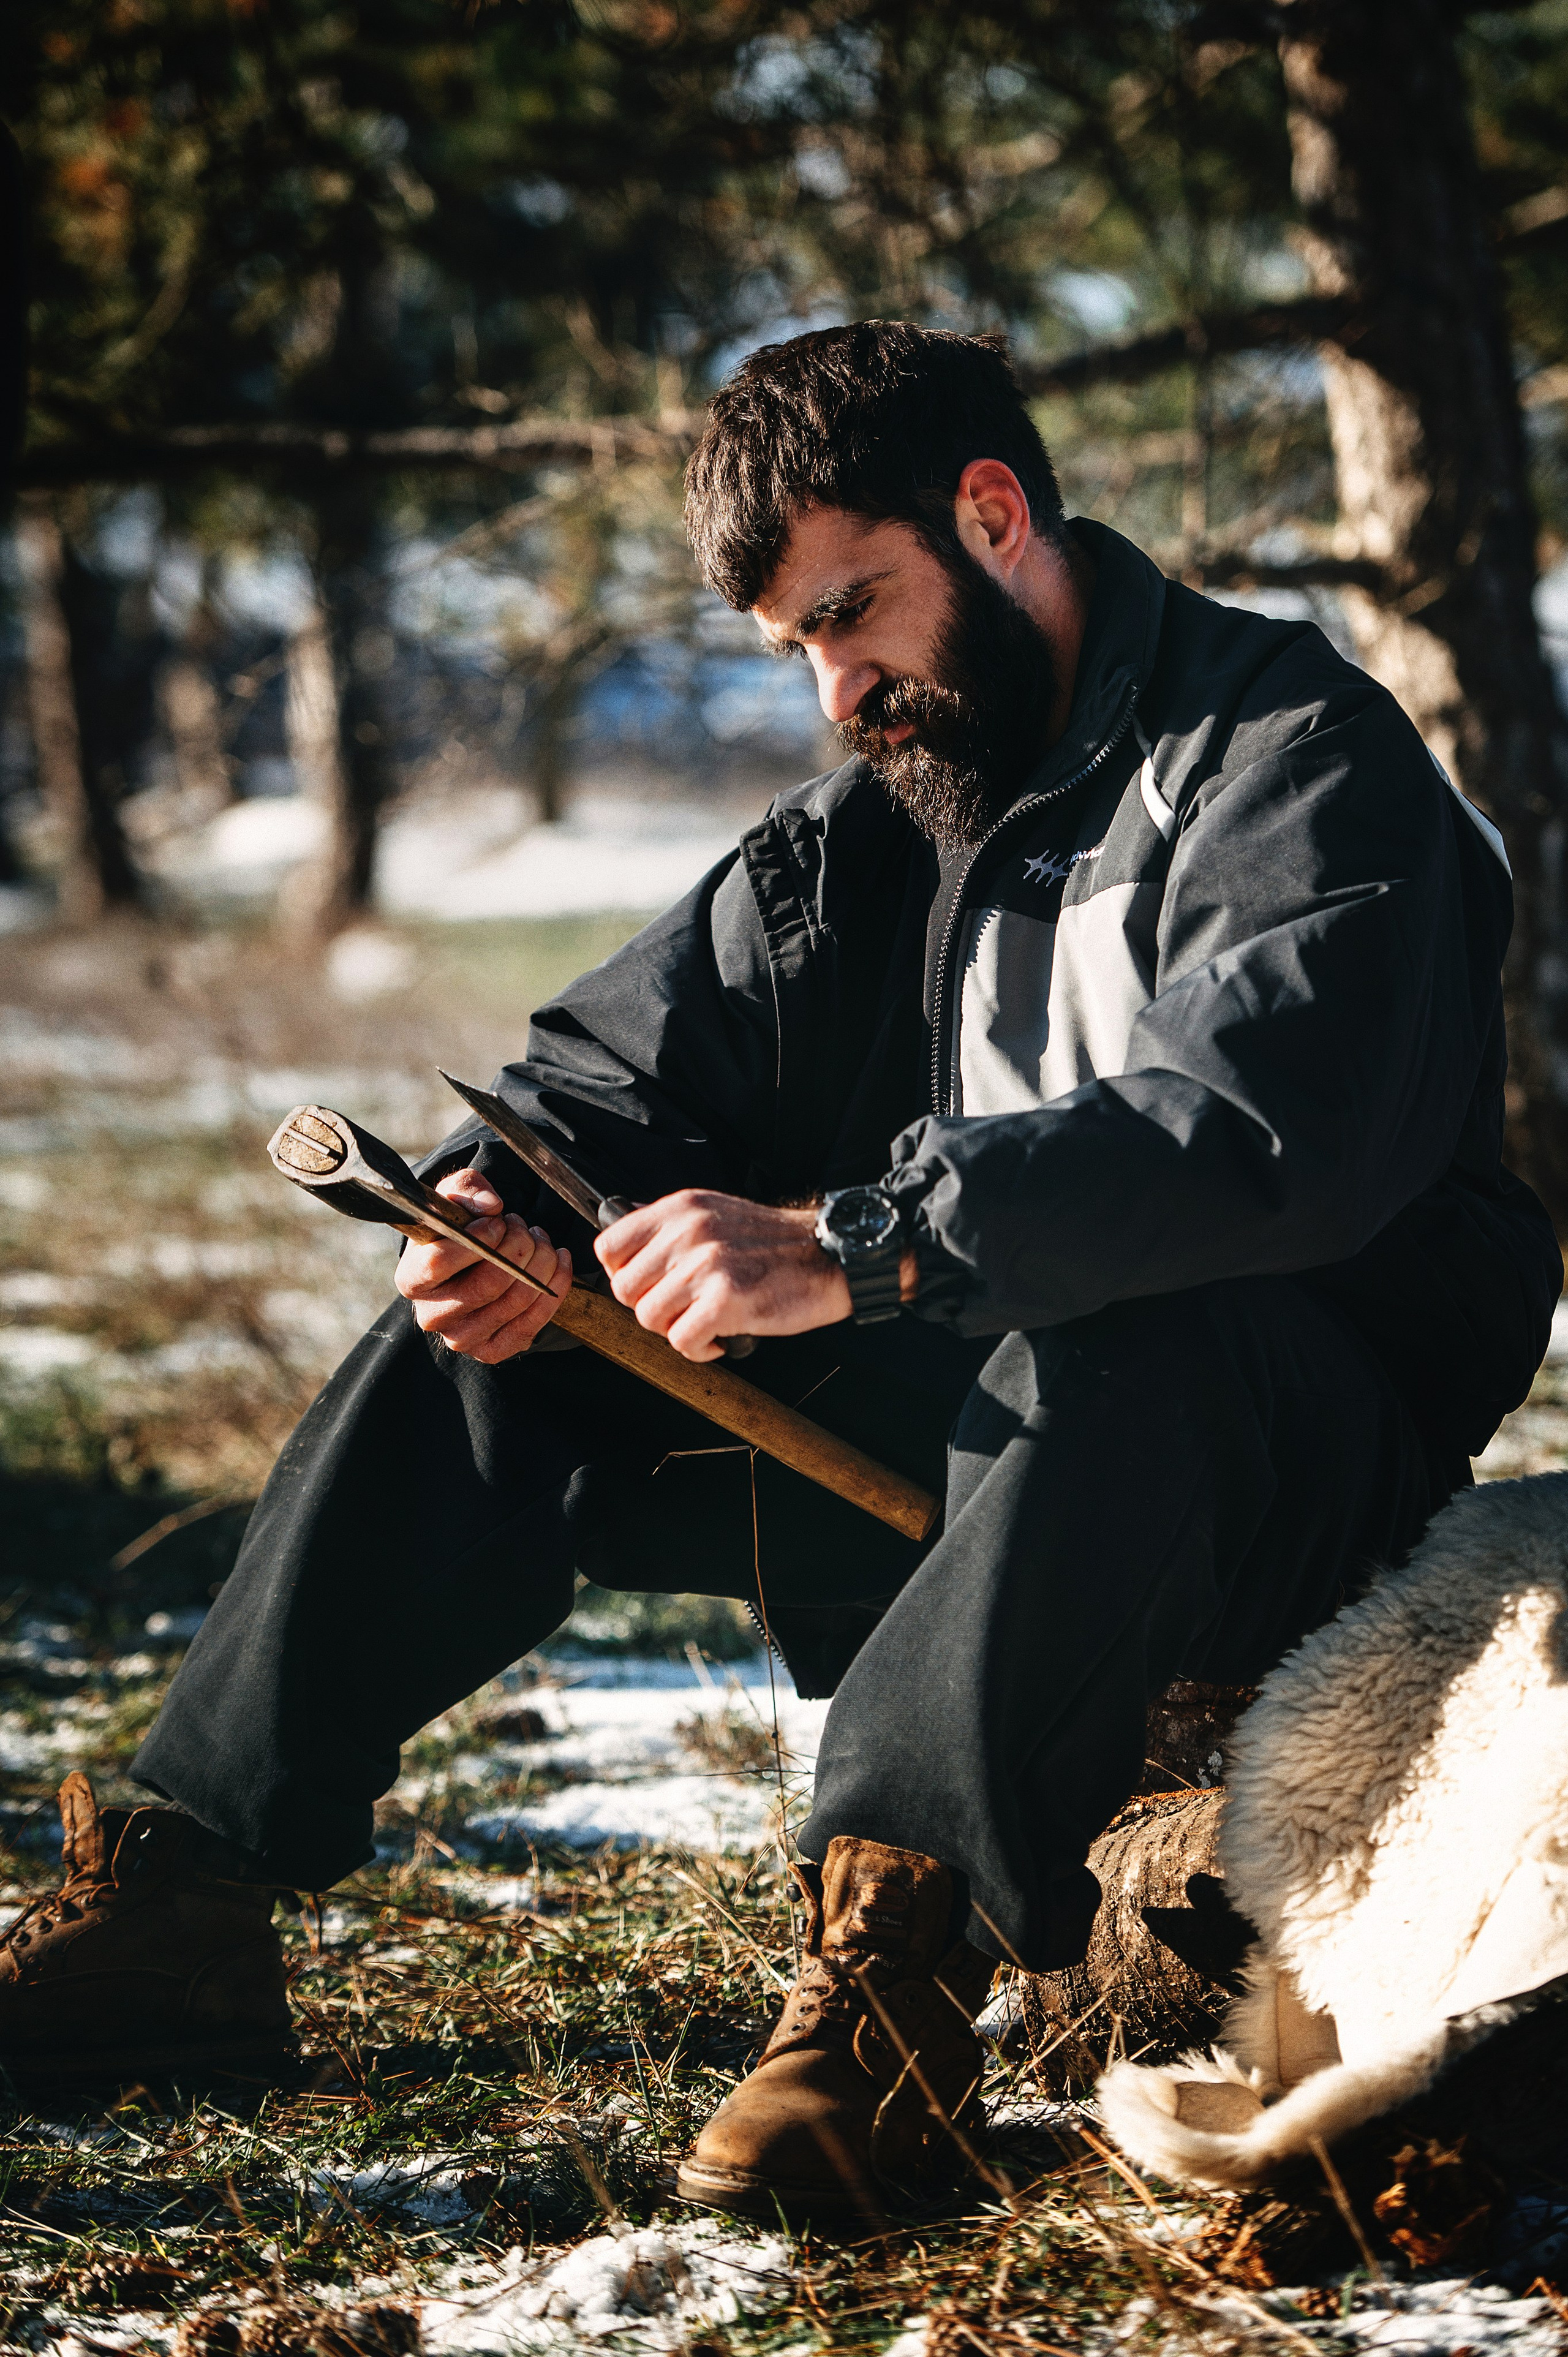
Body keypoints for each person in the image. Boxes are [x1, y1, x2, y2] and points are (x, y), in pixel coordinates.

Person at [2, 323, 1557, 2220]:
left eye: (854, 613)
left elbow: (1260, 1137)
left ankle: (887, 2007)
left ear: (993, 516)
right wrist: (520, 1214)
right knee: (493, 1349)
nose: (837, 691)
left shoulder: (1294, 755)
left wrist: (856, 1243)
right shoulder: (895, 796)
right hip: (985, 1455)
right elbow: (616, 1072)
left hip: (1286, 1452)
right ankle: (181, 1897)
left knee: (1124, 1325)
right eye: (797, 648)